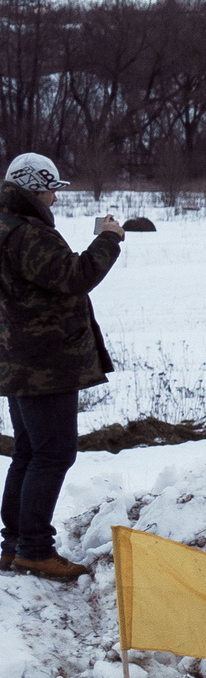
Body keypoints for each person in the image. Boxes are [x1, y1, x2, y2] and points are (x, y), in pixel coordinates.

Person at [0, 153, 121, 580]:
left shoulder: (7, 226)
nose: (55, 197)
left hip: (19, 359)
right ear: (35, 188)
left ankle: (15, 544)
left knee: (30, 452)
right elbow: (75, 277)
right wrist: (108, 239)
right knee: (52, 455)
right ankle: (34, 549)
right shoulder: (28, 234)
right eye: (52, 189)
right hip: (45, 364)